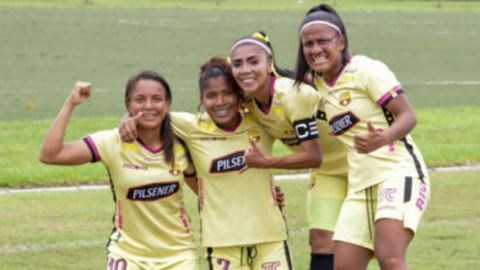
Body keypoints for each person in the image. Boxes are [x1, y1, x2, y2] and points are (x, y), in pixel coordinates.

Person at [120, 57, 293, 269]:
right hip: (221, 244)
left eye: (227, 93)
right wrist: (126, 119)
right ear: (202, 99)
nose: (220, 102)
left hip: (269, 237)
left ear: (239, 95)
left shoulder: (258, 120)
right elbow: (151, 112)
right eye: (211, 96)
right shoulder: (192, 127)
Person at [294, 4, 430, 270]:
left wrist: (383, 138)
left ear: (341, 41)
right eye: (308, 43)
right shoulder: (317, 84)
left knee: (388, 257)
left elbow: (408, 116)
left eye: (323, 41)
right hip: (360, 187)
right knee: (344, 266)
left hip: (397, 173)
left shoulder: (366, 69)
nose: (315, 49)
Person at [39, 71, 199, 270]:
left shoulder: (181, 144)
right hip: (128, 255)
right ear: (128, 105)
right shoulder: (111, 142)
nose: (148, 106)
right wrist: (70, 103)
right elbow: (50, 155)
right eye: (140, 99)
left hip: (179, 255)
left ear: (168, 105)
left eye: (156, 99)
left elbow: (206, 195)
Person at [229, 30, 348, 270]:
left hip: (362, 166)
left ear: (269, 63)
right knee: (321, 241)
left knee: (374, 248)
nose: (245, 70)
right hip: (328, 173)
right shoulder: (249, 102)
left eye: (254, 62)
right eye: (238, 64)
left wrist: (268, 163)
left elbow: (313, 156)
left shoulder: (292, 94)